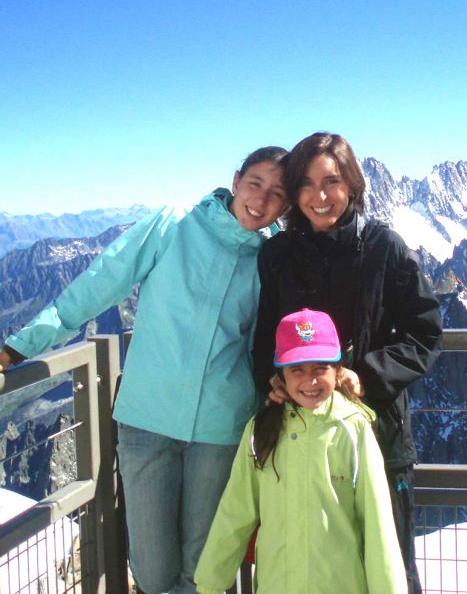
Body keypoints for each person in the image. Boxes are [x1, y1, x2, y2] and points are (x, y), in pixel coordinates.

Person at [0, 145, 289, 594]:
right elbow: (99, 283)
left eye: (277, 193)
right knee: (152, 570)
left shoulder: (271, 257)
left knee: (204, 569)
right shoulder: (175, 223)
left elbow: (264, 345)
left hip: (219, 430)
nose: (262, 198)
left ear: (285, 205)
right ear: (235, 181)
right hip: (146, 424)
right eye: (255, 183)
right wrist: (19, 347)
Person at [252, 133, 443, 593]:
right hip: (301, 442)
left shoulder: (385, 249)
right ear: (295, 192)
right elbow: (263, 338)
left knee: (391, 568)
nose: (320, 196)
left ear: (351, 184)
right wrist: (271, 380)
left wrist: (368, 373)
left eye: (332, 181)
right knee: (316, 570)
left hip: (379, 438)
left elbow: (425, 332)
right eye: (307, 184)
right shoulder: (276, 256)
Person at [194, 308, 408, 594]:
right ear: (280, 375)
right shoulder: (261, 430)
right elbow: (236, 510)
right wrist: (210, 582)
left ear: (338, 369)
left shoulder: (353, 429)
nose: (310, 381)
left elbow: (377, 521)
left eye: (320, 368)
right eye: (297, 369)